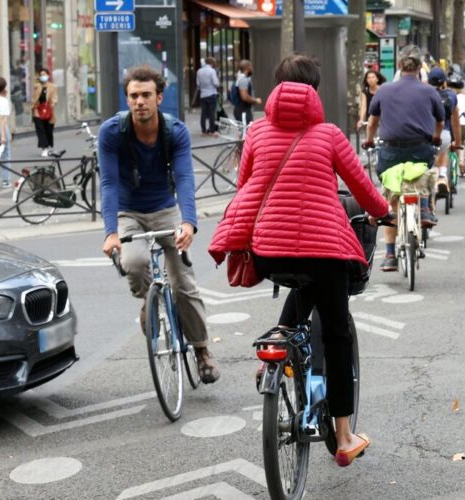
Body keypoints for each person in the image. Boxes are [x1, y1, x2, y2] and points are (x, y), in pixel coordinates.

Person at [207, 54, 389, 466]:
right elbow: (361, 187)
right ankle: (343, 437)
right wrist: (382, 212)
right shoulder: (329, 134)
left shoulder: (255, 132)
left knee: (302, 282)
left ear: (275, 88)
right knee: (337, 334)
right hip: (324, 251)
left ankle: (278, 339)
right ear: (314, 91)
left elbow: (245, 187)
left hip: (268, 251)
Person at [99, 65, 220, 384]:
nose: (139, 101)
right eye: (133, 96)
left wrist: (189, 223)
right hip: (128, 212)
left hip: (165, 209)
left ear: (159, 97)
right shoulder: (112, 132)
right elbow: (109, 183)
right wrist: (111, 232)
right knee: (135, 263)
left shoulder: (174, 131)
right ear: (127, 99)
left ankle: (201, 350)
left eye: (146, 95)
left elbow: (183, 178)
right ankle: (149, 302)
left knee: (184, 284)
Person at [363, 44, 444, 272]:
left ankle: (389, 254)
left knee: (392, 197)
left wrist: (369, 140)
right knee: (426, 171)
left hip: (390, 152)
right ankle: (425, 208)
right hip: (420, 149)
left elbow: (372, 123)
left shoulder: (384, 90)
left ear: (399, 66)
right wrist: (436, 137)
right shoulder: (429, 92)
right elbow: (440, 121)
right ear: (420, 68)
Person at [428, 68, 461, 190]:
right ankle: (442, 176)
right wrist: (457, 141)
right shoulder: (451, 96)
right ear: (444, 82)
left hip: (425, 135)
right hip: (444, 133)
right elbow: (455, 121)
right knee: (444, 149)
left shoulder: (422, 94)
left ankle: (433, 177)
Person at [449, 75, 465, 177]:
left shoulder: (446, 96)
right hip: (463, 124)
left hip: (449, 125)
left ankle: (451, 168)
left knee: (452, 145)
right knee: (461, 142)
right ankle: (461, 160)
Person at [31, 68, 58, 157]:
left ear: (48, 75)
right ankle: (44, 148)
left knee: (48, 130)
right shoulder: (37, 86)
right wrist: (33, 106)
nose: (43, 76)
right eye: (41, 75)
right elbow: (34, 99)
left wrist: (53, 103)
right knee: (40, 130)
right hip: (38, 111)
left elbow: (54, 97)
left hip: (48, 110)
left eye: (44, 74)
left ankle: (48, 146)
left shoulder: (52, 86)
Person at [233, 59, 261, 125]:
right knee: (245, 132)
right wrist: (255, 100)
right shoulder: (243, 80)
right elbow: (244, 97)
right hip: (243, 111)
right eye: (251, 66)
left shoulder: (241, 78)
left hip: (243, 110)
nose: (252, 68)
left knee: (244, 131)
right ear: (247, 68)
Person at [197, 57, 219, 135]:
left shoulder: (199, 71)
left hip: (203, 95)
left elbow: (198, 84)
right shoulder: (212, 71)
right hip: (212, 93)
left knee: (203, 113)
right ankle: (212, 131)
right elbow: (216, 83)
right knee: (211, 113)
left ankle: (203, 130)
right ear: (212, 63)